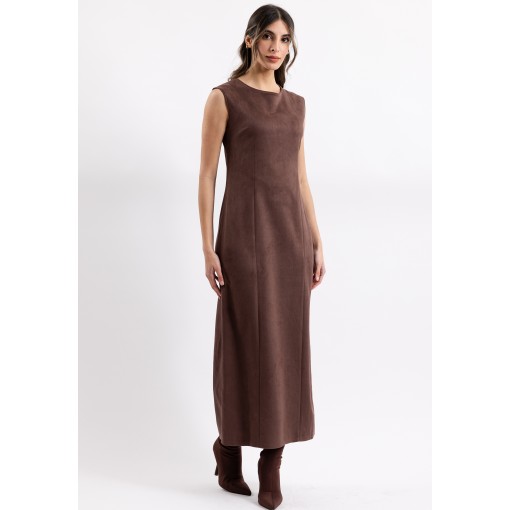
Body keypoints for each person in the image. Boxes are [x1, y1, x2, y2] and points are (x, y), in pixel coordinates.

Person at [198, 5, 325, 509]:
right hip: (243, 240)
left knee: (285, 347)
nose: (277, 47)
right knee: (242, 342)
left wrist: (316, 238)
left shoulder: (296, 105)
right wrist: (206, 245)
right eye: (268, 36)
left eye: (285, 39)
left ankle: (272, 462)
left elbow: (300, 177)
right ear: (250, 39)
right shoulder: (224, 97)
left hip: (290, 240)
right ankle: (228, 448)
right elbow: (208, 174)